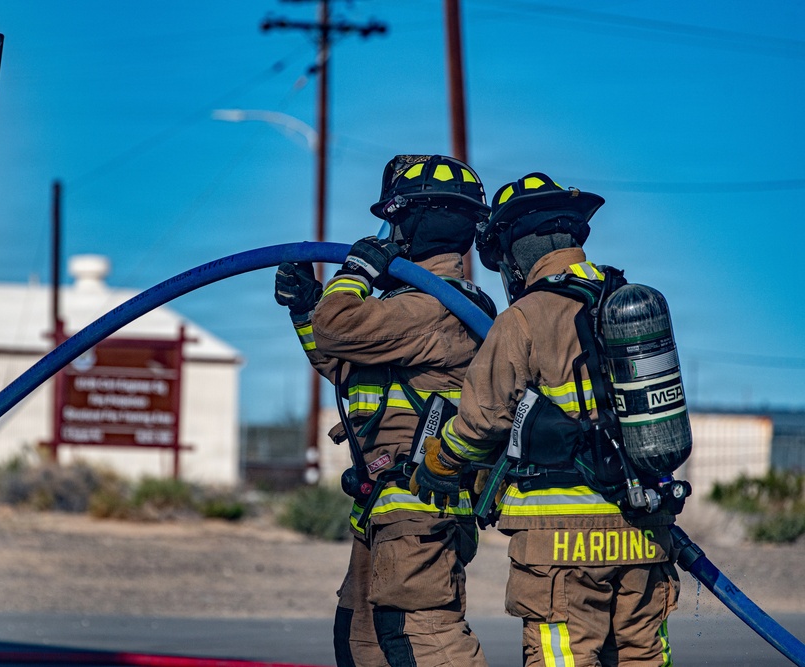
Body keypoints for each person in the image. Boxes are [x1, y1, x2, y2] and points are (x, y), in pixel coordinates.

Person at [410, 172, 683, 667]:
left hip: (561, 540)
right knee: (643, 656)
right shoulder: (629, 303)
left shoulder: (526, 316)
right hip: (645, 530)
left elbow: (482, 421)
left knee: (564, 659)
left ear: (515, 252)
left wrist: (440, 461)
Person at [274, 154, 497, 667]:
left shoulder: (437, 306)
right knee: (363, 641)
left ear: (417, 222)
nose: (387, 233)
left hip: (419, 504)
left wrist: (354, 272)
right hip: (383, 503)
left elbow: (341, 327)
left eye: (394, 221)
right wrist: (305, 308)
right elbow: (343, 363)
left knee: (422, 638)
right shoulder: (406, 305)